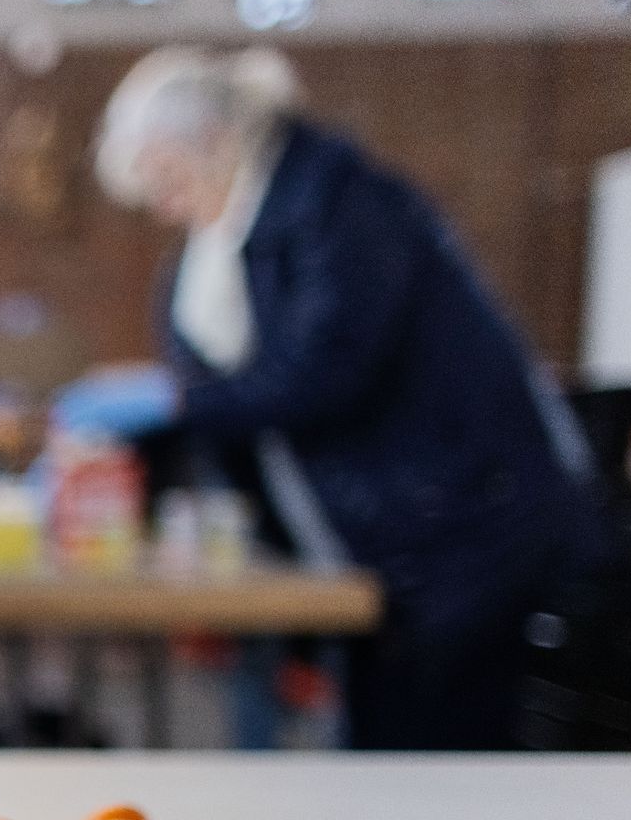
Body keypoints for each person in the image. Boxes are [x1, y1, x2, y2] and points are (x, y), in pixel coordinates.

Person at [68, 47, 600, 750]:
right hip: (375, 544)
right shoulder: (222, 247)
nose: (167, 206)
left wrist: (172, 404)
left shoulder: (337, 203)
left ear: (216, 143)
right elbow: (229, 398)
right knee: (377, 757)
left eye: (169, 178)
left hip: (461, 528)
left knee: (437, 769)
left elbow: (325, 373)